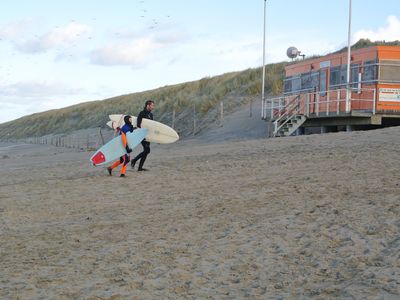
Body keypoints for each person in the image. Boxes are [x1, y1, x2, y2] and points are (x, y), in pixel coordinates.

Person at [131, 100, 154, 171]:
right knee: (147, 150)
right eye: (152, 105)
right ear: (148, 105)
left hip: (148, 135)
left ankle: (140, 167)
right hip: (142, 134)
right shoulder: (142, 113)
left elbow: (151, 125)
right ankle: (134, 160)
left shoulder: (151, 115)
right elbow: (138, 124)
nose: (153, 107)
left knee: (146, 151)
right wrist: (141, 134)